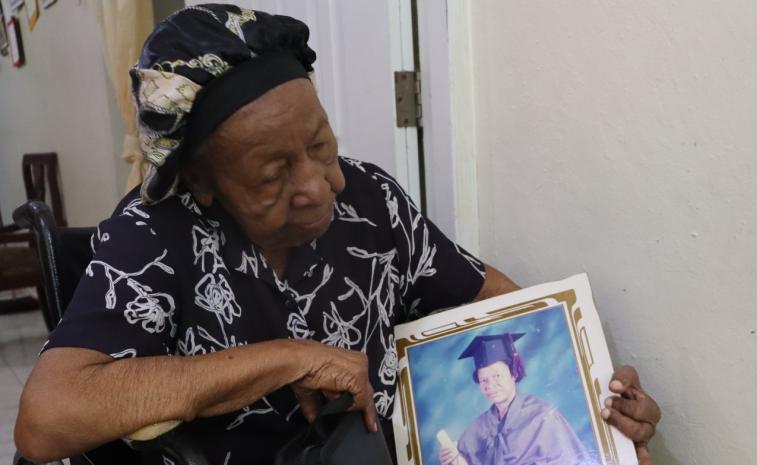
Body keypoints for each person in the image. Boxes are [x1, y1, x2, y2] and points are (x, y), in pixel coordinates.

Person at [14, 4, 660, 465]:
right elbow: (46, 419)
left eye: (321, 145)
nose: (321, 186)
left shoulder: (371, 200)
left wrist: (592, 390)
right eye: (273, 175)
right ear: (202, 182)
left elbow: (498, 303)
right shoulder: (153, 233)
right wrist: (287, 357)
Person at [439, 333, 590, 465]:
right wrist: (454, 459)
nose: (490, 385)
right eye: (483, 380)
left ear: (513, 373)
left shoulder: (543, 417)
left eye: (497, 376)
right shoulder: (477, 429)